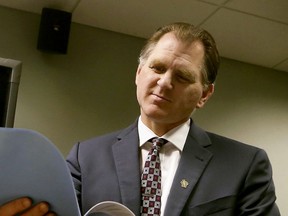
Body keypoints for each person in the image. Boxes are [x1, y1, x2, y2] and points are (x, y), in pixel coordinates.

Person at [0, 22, 280, 216]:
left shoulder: (244, 164)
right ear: (138, 74)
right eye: (157, 67)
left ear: (204, 95)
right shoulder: (85, 158)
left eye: (182, 76)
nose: (164, 82)